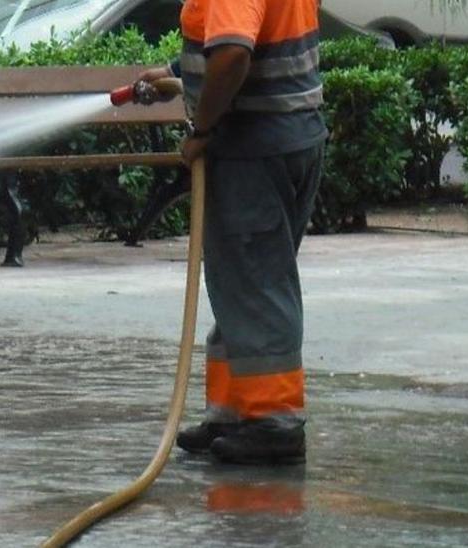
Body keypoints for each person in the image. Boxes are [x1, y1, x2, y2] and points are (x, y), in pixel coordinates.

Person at [137, 0, 327, 465]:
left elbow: (234, 54)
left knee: (256, 284)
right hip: (289, 134)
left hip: (252, 147)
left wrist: (202, 126)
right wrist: (178, 73)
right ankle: (236, 412)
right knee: (243, 284)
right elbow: (249, 42)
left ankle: (273, 422)